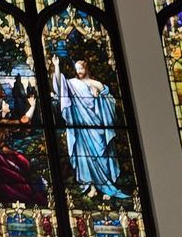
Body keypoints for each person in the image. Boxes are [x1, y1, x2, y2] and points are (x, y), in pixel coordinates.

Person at [50, 56, 129, 199]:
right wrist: (56, 66)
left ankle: (106, 187)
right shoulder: (72, 83)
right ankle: (92, 186)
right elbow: (60, 86)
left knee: (101, 154)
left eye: (81, 68)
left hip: (96, 125)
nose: (78, 71)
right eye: (77, 69)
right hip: (81, 127)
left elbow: (108, 97)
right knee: (85, 156)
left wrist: (99, 95)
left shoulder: (94, 83)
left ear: (86, 69)